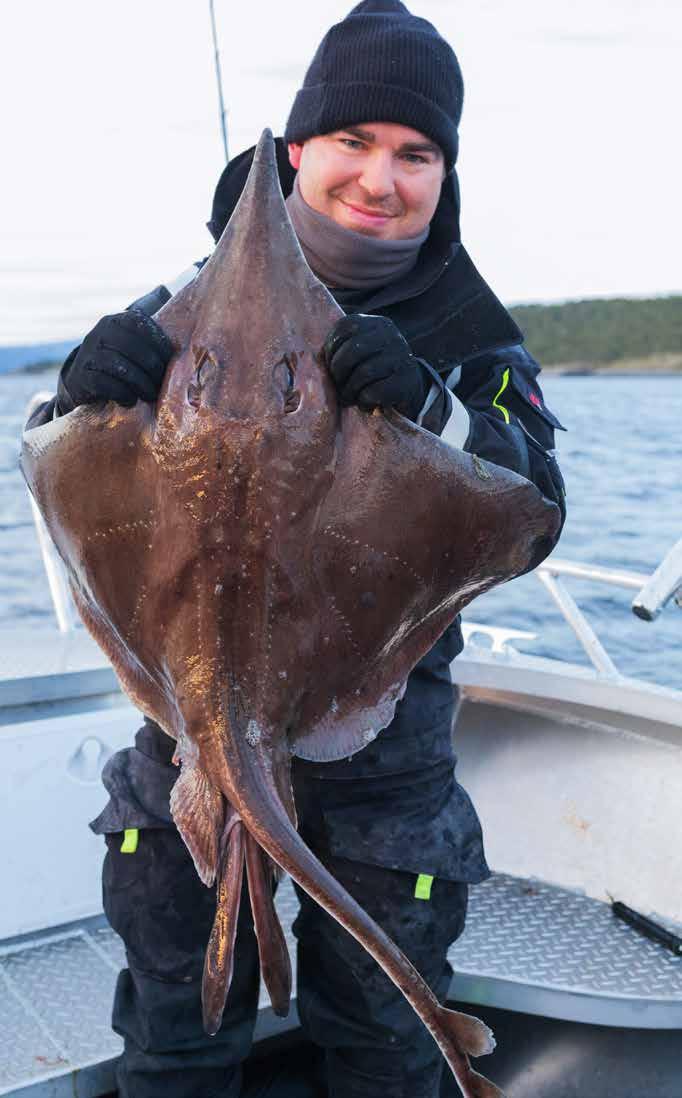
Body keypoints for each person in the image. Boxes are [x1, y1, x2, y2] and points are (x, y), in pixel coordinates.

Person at [28, 3, 565, 1096]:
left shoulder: (470, 335)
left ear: (442, 174)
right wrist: (74, 398)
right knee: (176, 1033)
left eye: (415, 154)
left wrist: (436, 414)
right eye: (353, 142)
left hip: (386, 766)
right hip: (182, 721)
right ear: (296, 152)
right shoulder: (175, 310)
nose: (381, 175)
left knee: (383, 1044)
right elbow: (52, 457)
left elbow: (534, 510)